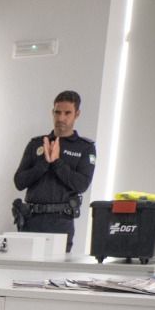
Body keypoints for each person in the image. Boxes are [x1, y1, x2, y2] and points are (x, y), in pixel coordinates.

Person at [13, 90, 96, 252]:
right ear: (52, 112)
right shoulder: (37, 143)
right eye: (57, 112)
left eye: (67, 113)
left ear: (77, 114)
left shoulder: (85, 147)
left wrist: (57, 162)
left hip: (61, 222)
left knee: (55, 274)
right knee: (24, 272)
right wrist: (44, 163)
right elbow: (19, 182)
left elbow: (82, 184)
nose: (61, 118)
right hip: (32, 219)